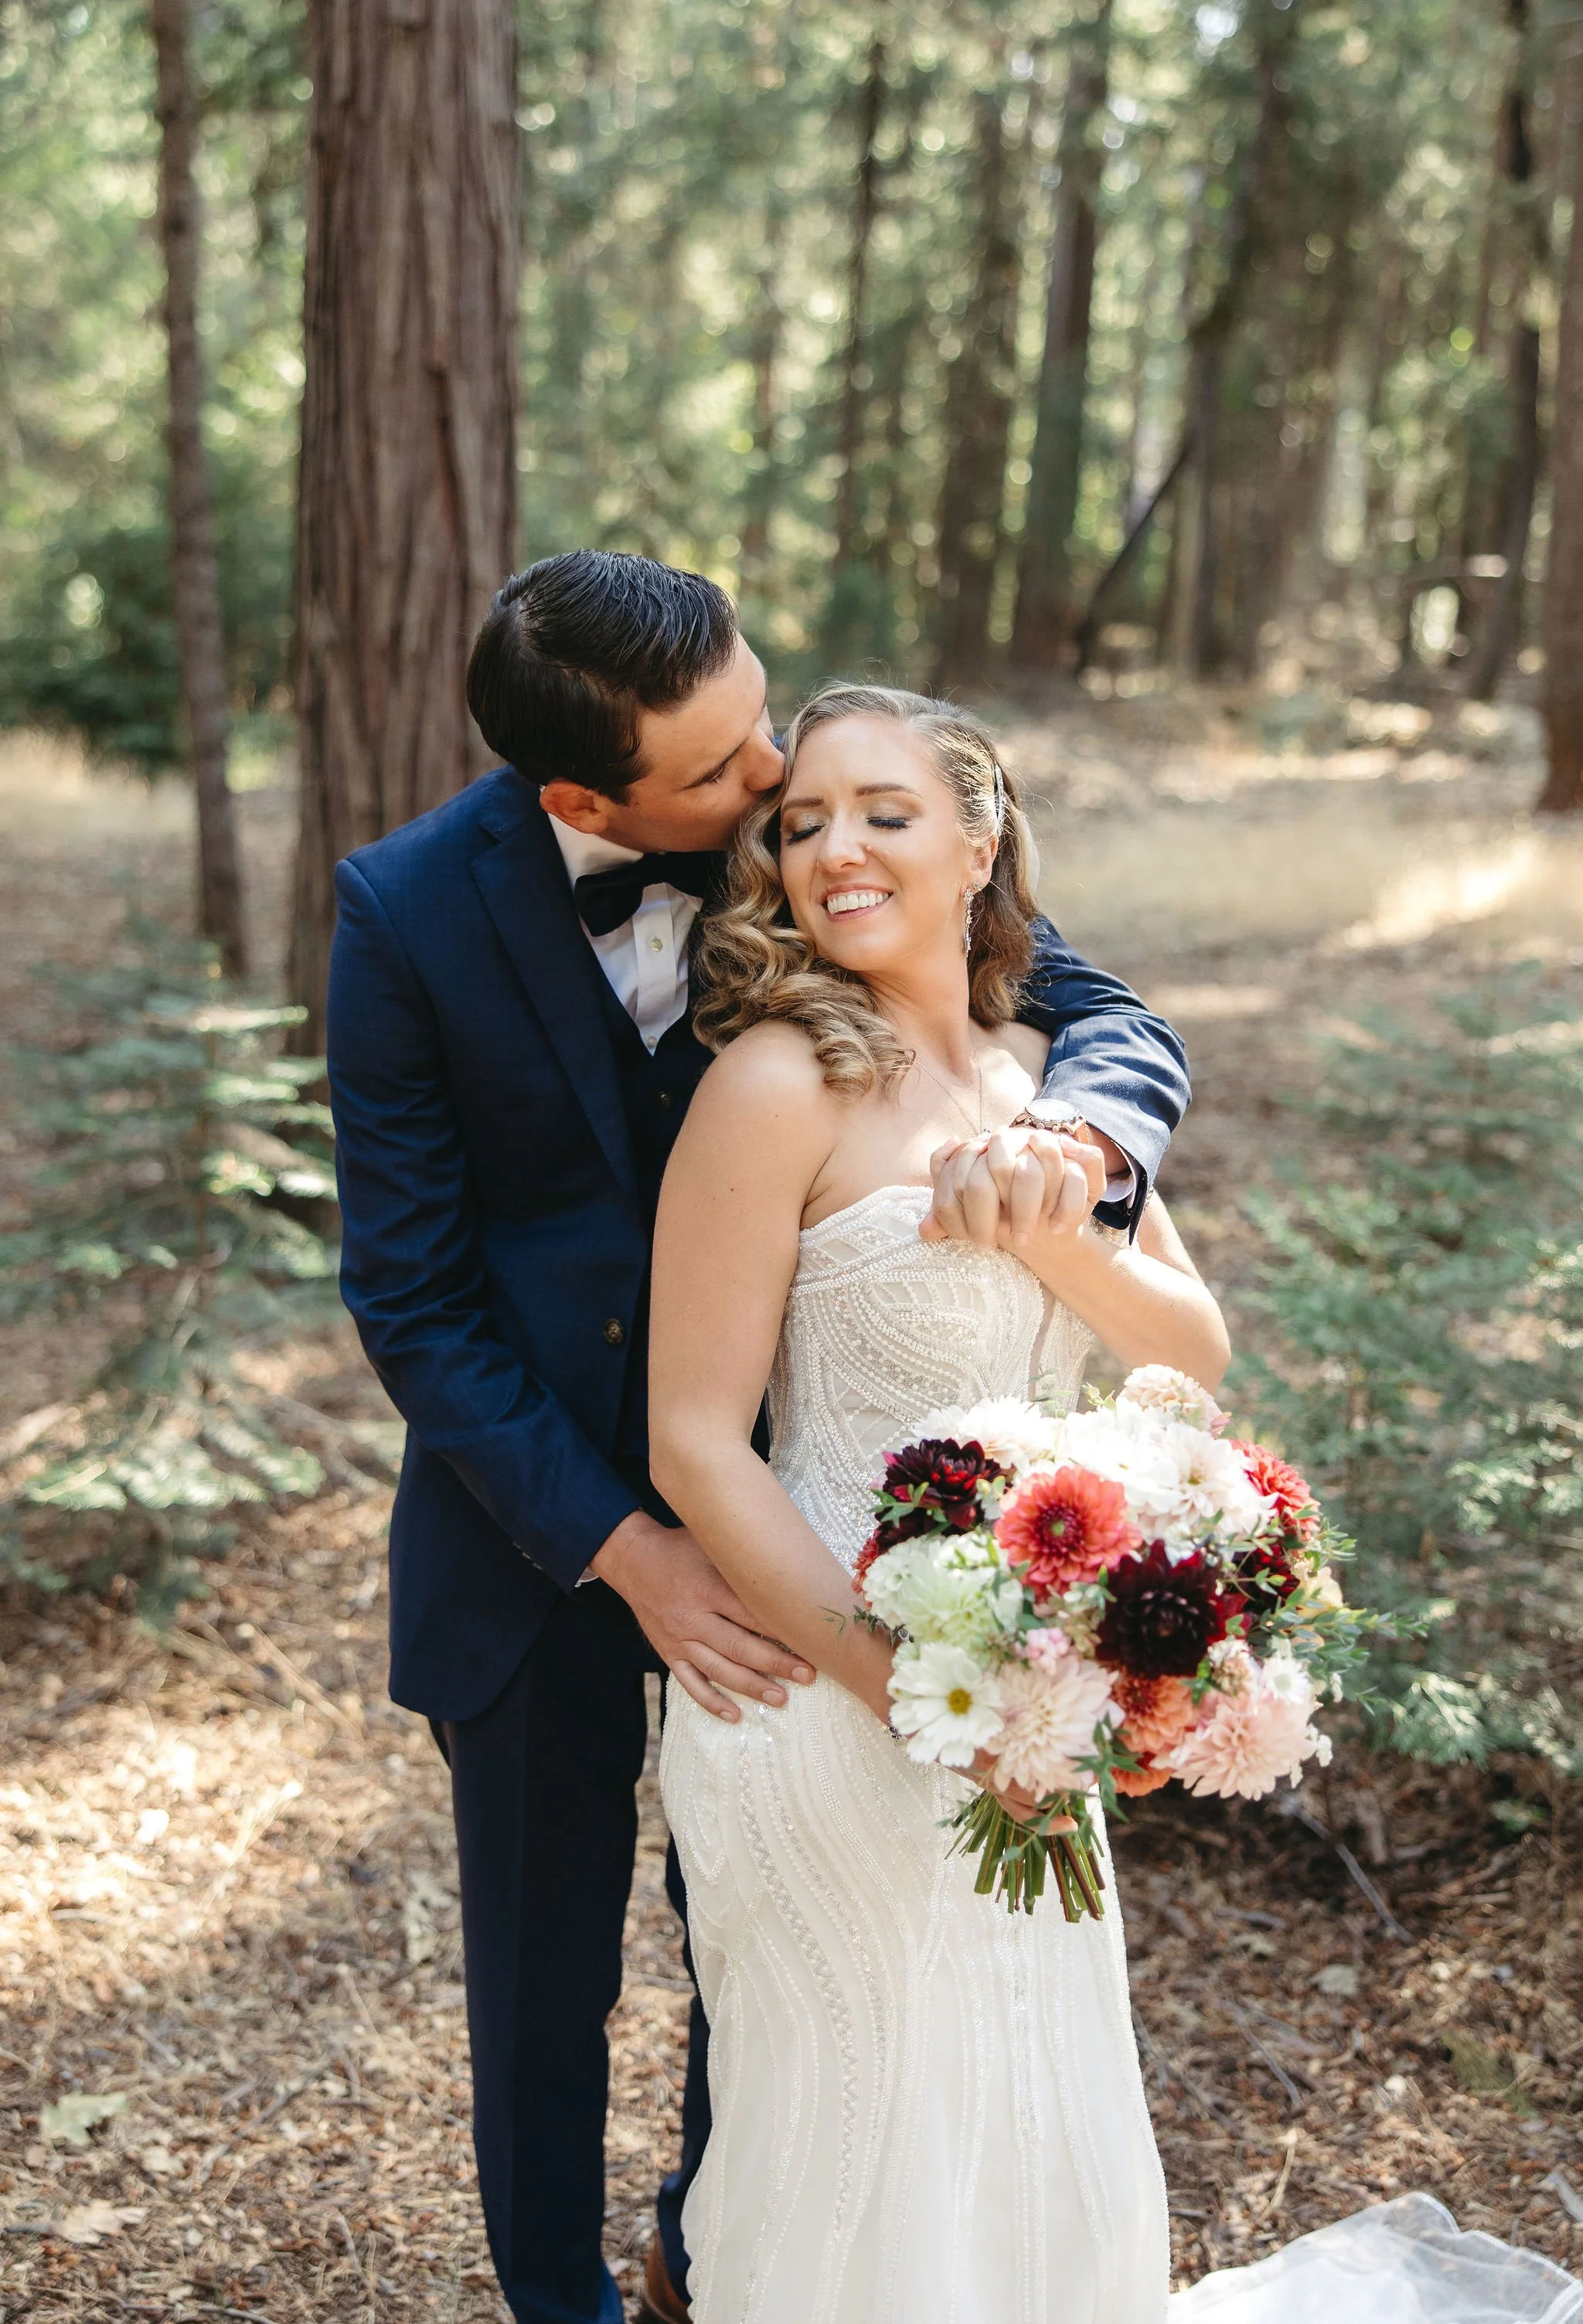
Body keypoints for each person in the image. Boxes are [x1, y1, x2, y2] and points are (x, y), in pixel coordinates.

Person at [325, 553, 1193, 2324]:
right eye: (725, 779)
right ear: (585, 799)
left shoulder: (817, 812)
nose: (769, 792)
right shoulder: (406, 915)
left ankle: (720, 2258)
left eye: (766, 723)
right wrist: (629, 1546)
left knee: (795, 1971)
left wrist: (1081, 1152)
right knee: (546, 1976)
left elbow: (1086, 1008)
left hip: (840, 1498)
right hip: (543, 1525)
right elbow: (414, 1301)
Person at [649, 685, 1581, 2324]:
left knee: (1028, 2106)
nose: (832, 849)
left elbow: (1191, 1345)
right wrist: (905, 1693)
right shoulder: (773, 1085)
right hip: (822, 1687)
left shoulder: (1051, 1081)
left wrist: (1046, 1217)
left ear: (980, 837)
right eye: (800, 825)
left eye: (883, 811)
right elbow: (693, 1442)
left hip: (1030, 1679)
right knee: (850, 2130)